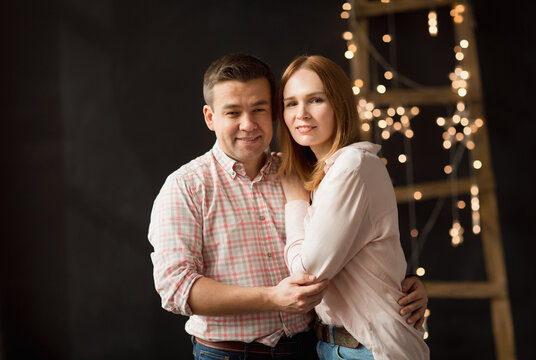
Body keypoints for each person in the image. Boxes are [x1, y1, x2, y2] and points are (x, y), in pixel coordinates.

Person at [147, 53, 428, 360]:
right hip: (231, 354)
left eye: (259, 109)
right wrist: (271, 298)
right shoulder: (186, 186)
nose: (248, 123)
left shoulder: (303, 172)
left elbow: (354, 238)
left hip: (311, 349)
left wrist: (404, 283)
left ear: (274, 113)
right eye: (232, 113)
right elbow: (176, 288)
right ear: (210, 117)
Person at [277, 54, 430, 360]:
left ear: (340, 105)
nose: (301, 114)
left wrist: (295, 201)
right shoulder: (325, 172)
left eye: (315, 100)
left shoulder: (352, 166)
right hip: (333, 347)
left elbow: (307, 272)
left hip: (368, 350)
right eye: (291, 103)